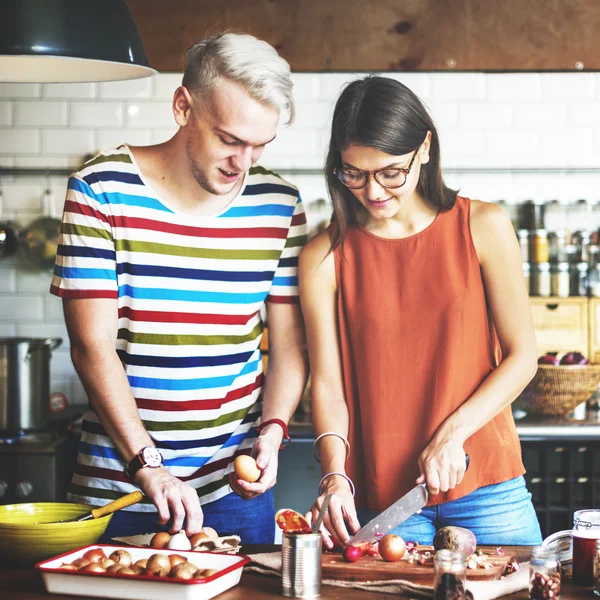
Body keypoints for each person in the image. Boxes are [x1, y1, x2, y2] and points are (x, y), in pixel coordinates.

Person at [50, 32, 309, 544]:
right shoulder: (100, 190)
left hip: (233, 496)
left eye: (261, 145)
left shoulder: (280, 204)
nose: (244, 163)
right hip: (119, 490)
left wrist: (273, 434)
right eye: (230, 140)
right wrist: (148, 465)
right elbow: (91, 346)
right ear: (182, 106)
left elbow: (288, 348)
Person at [299, 75, 542, 548]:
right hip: (385, 496)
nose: (373, 191)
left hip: (487, 485)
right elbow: (327, 386)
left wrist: (452, 434)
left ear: (425, 148)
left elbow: (523, 356)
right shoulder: (323, 258)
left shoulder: (482, 227)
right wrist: (334, 475)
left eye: (391, 172)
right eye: (354, 173)